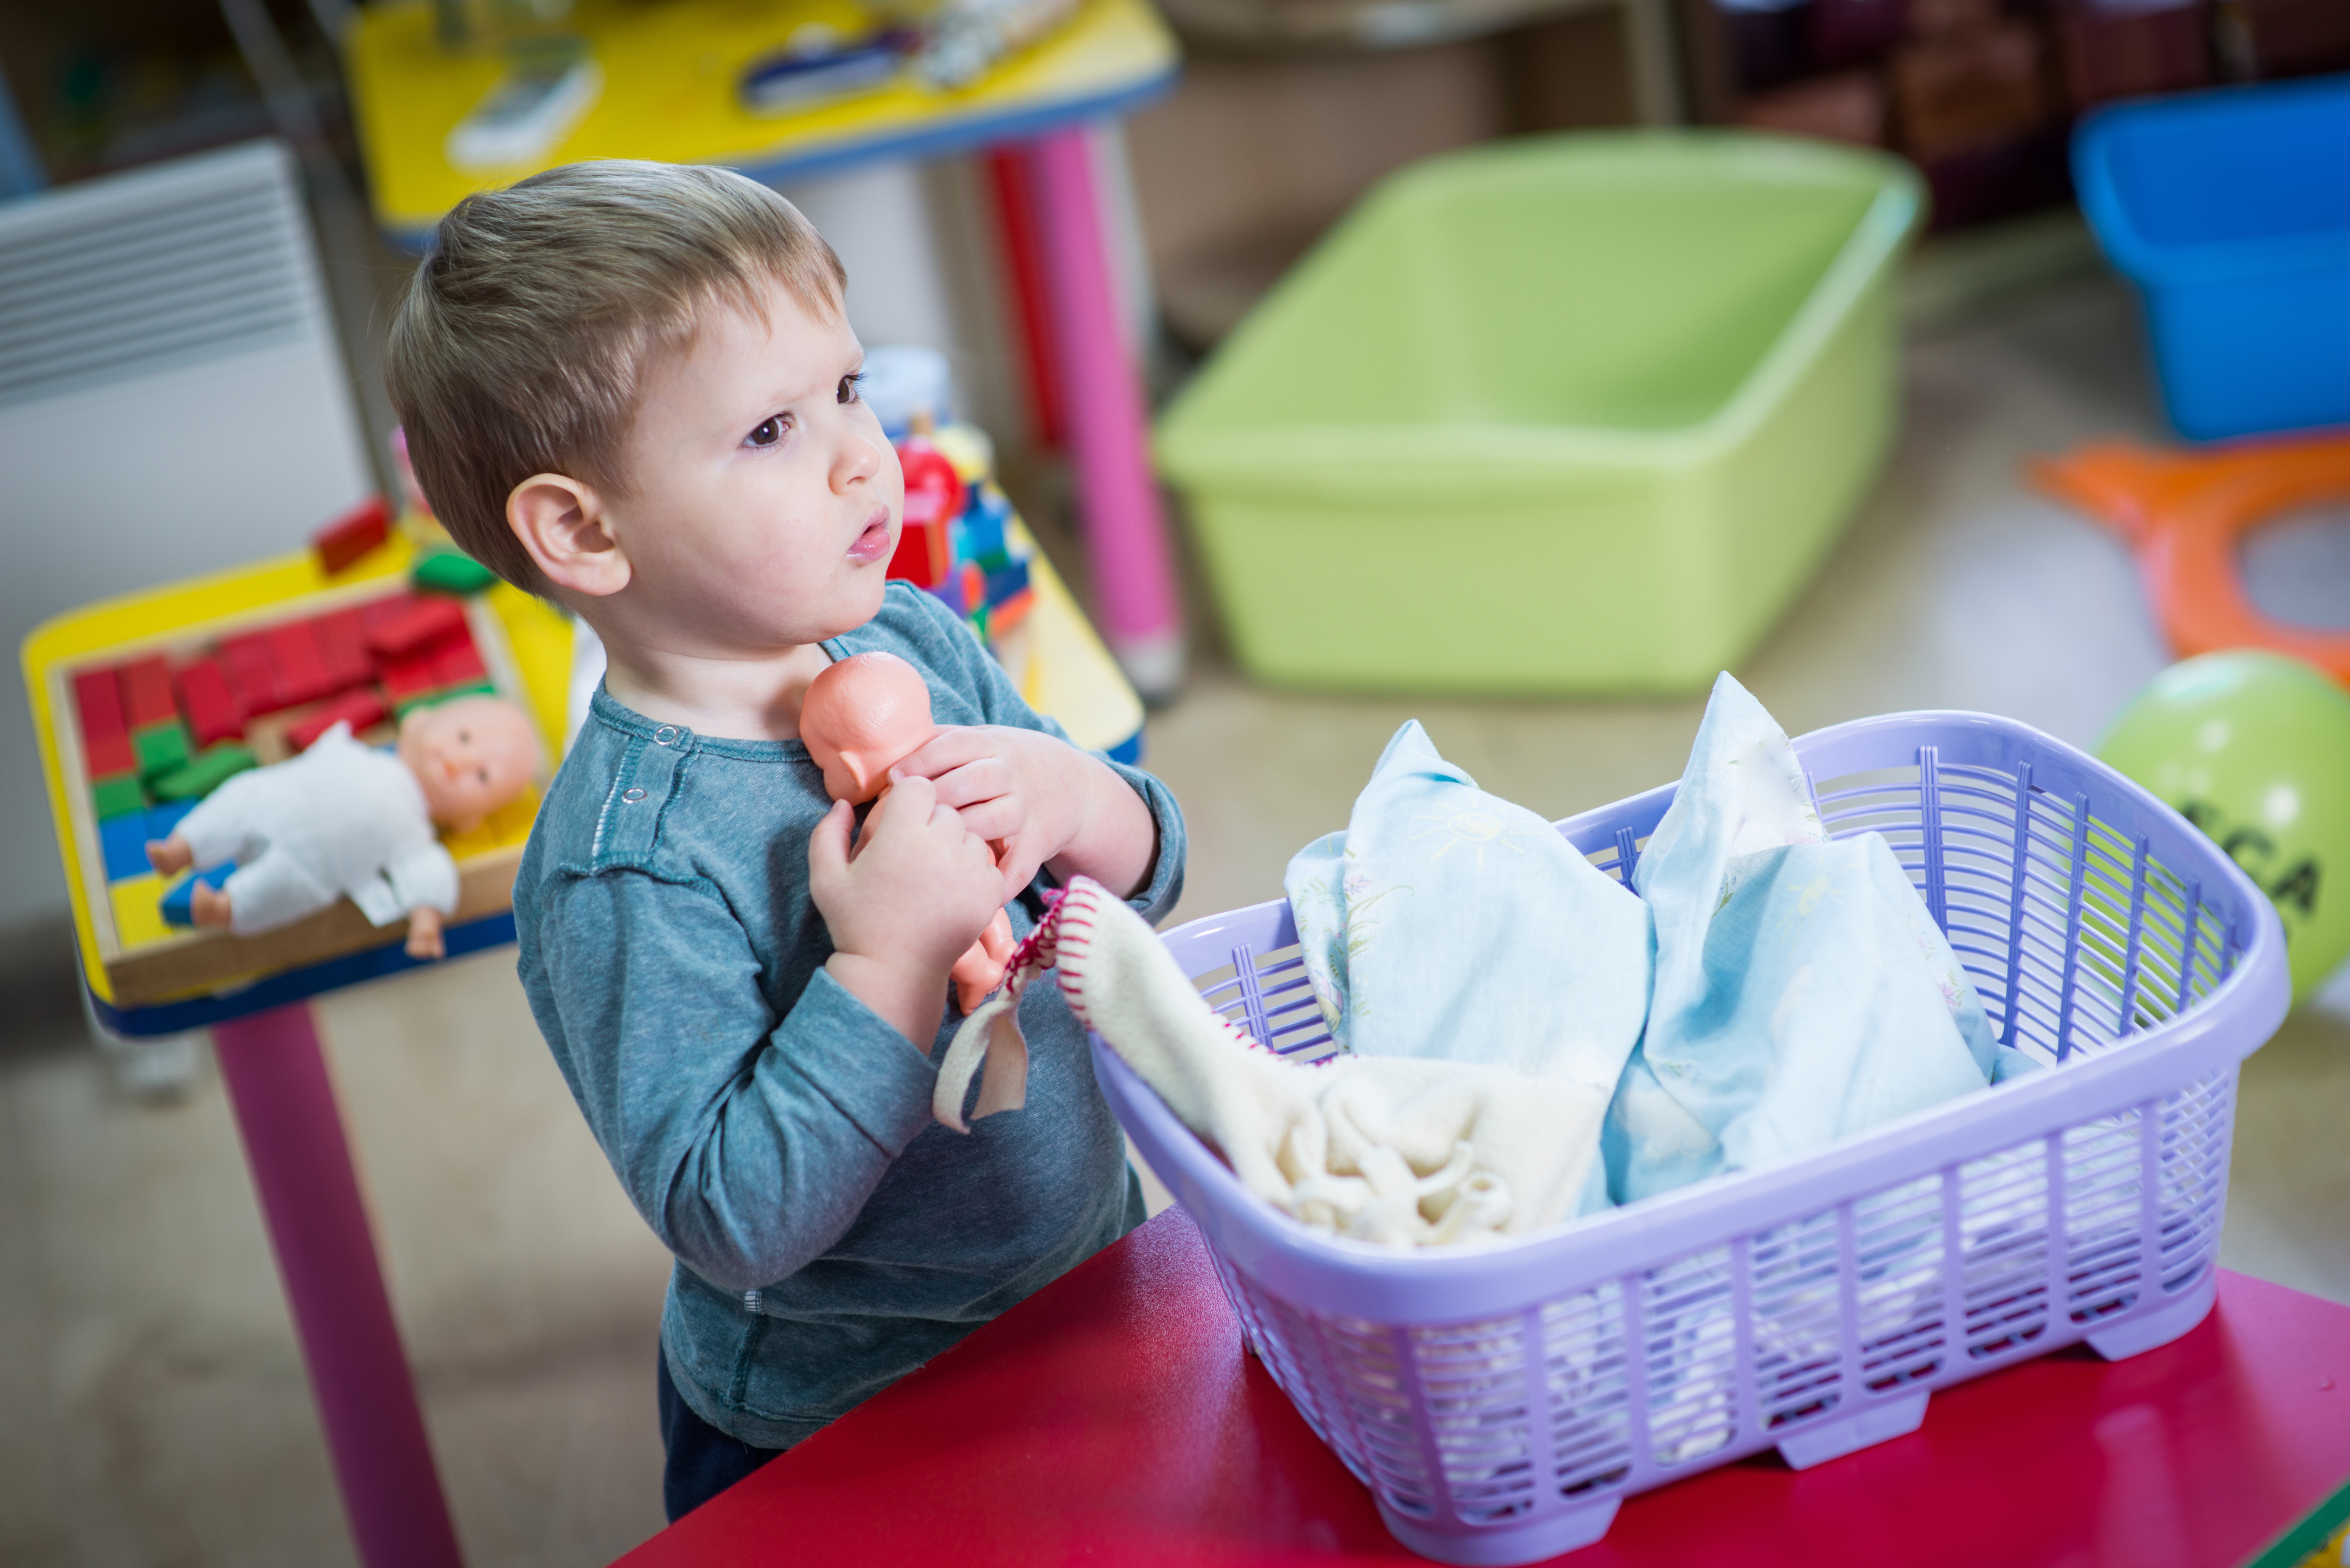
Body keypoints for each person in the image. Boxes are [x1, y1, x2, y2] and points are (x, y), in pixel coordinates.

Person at [381, 160, 1184, 1522]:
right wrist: (885, 956)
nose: (861, 455)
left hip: (1088, 1272)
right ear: (580, 529)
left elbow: (1136, 894)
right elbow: (731, 1214)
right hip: (849, 1413)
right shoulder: (626, 864)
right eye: (768, 431)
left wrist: (1076, 799)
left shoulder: (913, 633)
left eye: (849, 391)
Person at [145, 695, 542, 960]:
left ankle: (223, 909)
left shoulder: (415, 838)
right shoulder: (355, 750)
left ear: (469, 820)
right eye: (463, 737)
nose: (459, 760)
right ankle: (182, 848)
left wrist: (425, 920)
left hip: (309, 867)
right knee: (238, 798)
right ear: (417, 723)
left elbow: (429, 877)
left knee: (280, 892)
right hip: (274, 799)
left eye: (483, 776)